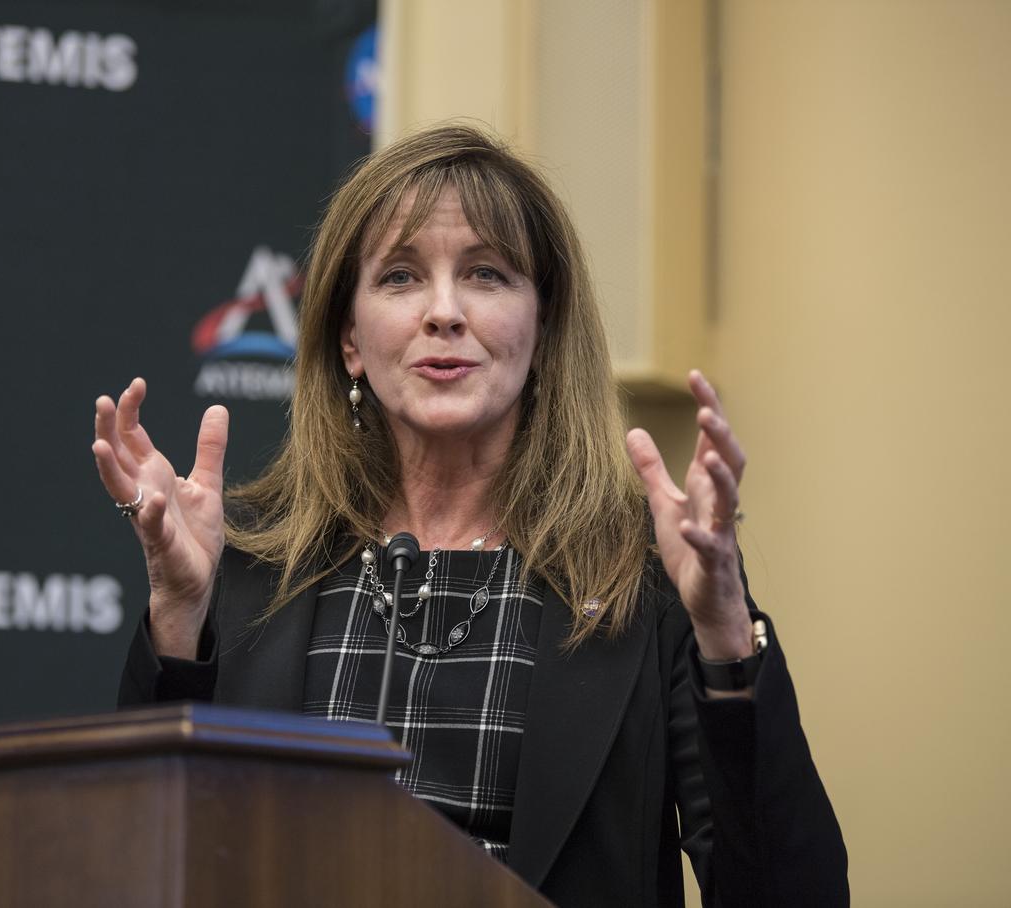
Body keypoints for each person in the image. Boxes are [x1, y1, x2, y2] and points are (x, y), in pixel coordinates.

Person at [94, 124, 848, 906]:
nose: (444, 313)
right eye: (400, 278)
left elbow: (792, 894)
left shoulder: (641, 570)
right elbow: (132, 866)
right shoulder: (250, 565)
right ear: (350, 338)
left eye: (487, 275)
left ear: (542, 325)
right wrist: (180, 618)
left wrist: (724, 633)